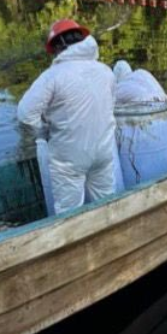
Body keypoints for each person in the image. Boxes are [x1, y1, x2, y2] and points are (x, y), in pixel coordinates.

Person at [18, 19, 117, 214]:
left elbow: (25, 114)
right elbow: (110, 107)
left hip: (69, 159)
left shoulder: (53, 76)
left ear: (58, 47)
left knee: (69, 211)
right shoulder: (105, 71)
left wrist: (42, 133)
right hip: (104, 151)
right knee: (106, 202)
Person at [112, 60, 167, 186]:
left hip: (144, 117)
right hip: (164, 110)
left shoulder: (120, 87)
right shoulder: (142, 73)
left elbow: (110, 105)